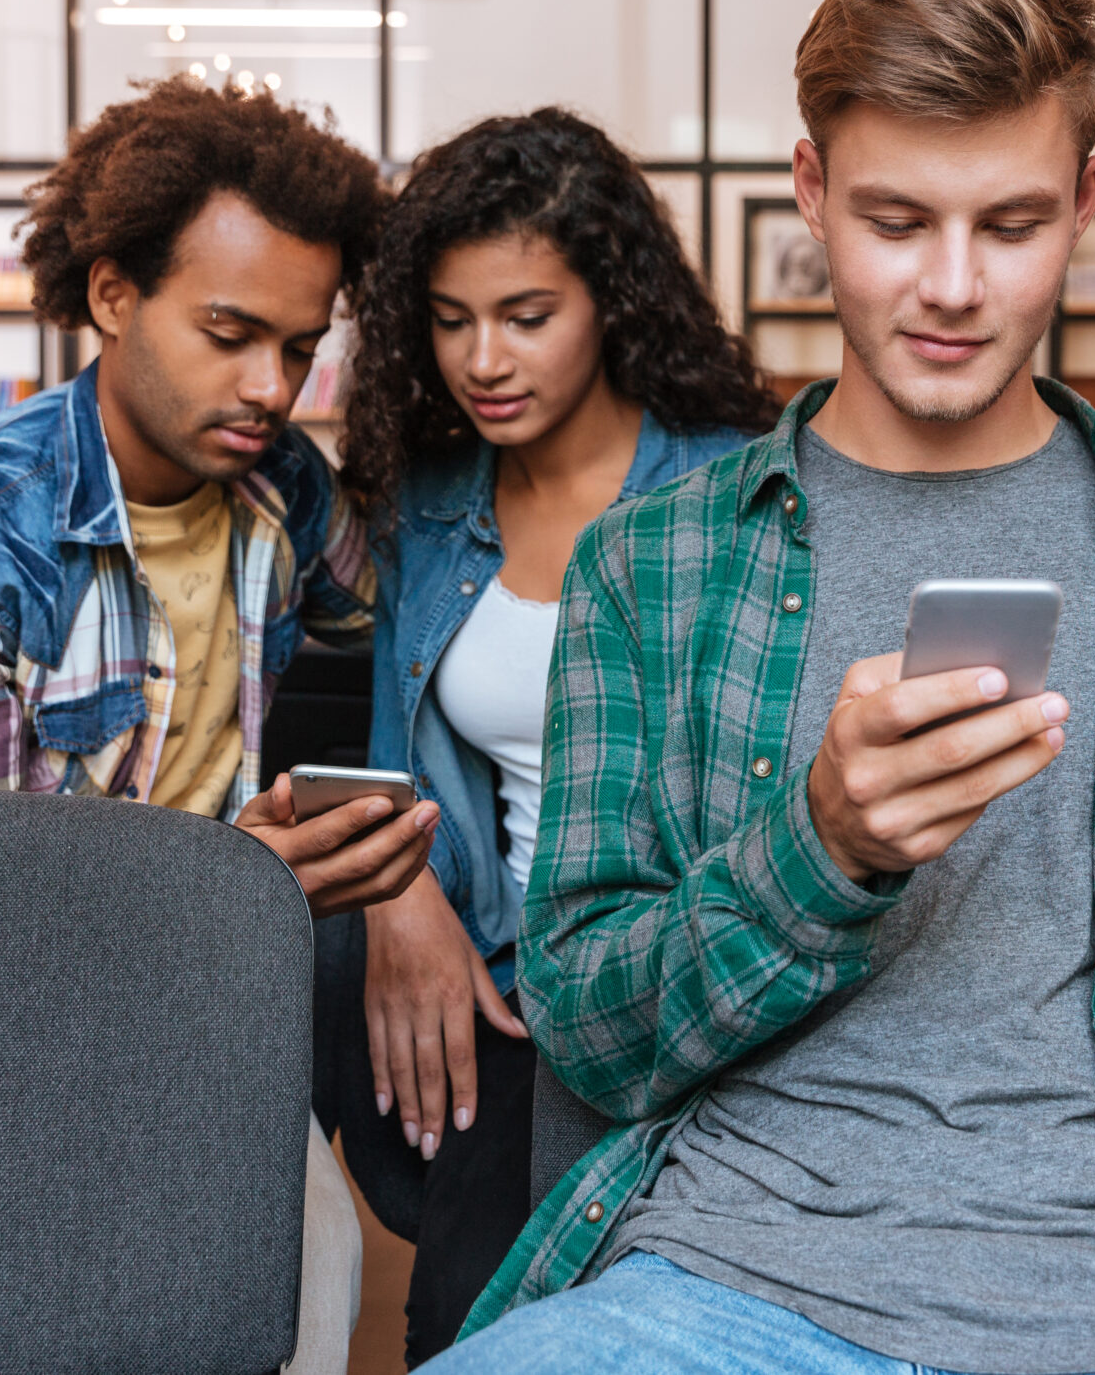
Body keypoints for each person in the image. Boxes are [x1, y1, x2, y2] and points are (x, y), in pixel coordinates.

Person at [421, 0, 1095, 1375]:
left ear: (1088, 199)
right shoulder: (655, 567)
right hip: (718, 1287)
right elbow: (591, 1023)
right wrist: (818, 847)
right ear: (813, 191)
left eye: (1011, 224)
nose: (954, 286)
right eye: (899, 221)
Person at [0, 77, 434, 1375]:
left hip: (198, 1012)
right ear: (109, 294)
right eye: (228, 330)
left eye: (302, 346)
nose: (272, 384)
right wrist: (232, 880)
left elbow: (428, 598)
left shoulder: (275, 483)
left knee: (308, 1291)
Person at [323, 108, 780, 1363]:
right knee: (461, 1314)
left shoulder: (734, 492)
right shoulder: (430, 498)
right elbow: (388, 764)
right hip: (505, 981)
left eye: (527, 315)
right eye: (452, 318)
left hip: (682, 979)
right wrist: (400, 894)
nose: (484, 358)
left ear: (611, 304)